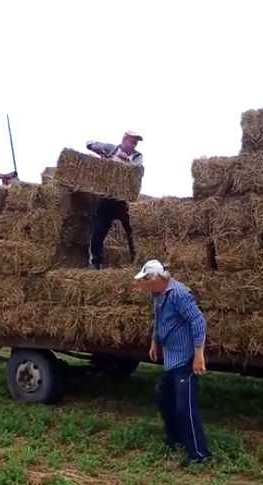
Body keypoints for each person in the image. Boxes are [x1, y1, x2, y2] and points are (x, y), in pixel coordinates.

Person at [134, 259, 211, 466]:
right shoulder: (158, 295)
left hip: (185, 359)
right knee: (163, 396)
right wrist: (154, 341)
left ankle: (199, 455)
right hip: (172, 359)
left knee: (184, 406)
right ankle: (174, 438)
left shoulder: (179, 294)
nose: (143, 285)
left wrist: (199, 355)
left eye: (145, 280)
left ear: (157, 278)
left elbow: (198, 321)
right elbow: (158, 319)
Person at [86, 131, 144, 269]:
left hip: (124, 202)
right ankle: (96, 262)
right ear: (124, 140)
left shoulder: (137, 156)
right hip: (107, 198)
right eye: (132, 141)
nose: (134, 144)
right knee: (98, 231)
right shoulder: (111, 148)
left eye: (136, 142)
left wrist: (119, 161)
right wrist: (100, 153)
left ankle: (135, 261)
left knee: (131, 232)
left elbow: (136, 170)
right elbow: (89, 143)